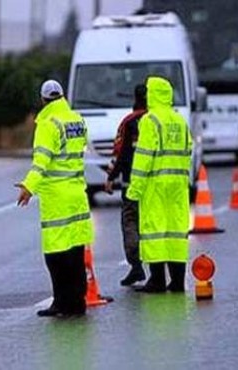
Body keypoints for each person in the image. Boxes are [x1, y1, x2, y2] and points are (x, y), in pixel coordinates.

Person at [17, 80, 94, 317]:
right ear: (61, 96)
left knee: (56, 254)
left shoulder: (48, 124)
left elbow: (41, 161)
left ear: (43, 100)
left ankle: (61, 302)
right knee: (75, 251)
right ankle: (78, 301)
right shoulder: (77, 120)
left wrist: (28, 187)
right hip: (77, 194)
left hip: (57, 198)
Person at [126, 76, 192, 293]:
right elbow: (188, 150)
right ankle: (178, 280)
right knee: (175, 230)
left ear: (152, 95)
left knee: (155, 230)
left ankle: (157, 280)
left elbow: (143, 157)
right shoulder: (179, 120)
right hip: (178, 184)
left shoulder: (150, 121)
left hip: (155, 184)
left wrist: (134, 188)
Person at [105, 84, 147, 286]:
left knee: (130, 222)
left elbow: (120, 154)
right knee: (153, 224)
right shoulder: (158, 121)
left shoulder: (129, 122)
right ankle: (160, 269)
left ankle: (136, 266)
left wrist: (111, 177)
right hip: (155, 184)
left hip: (131, 183)